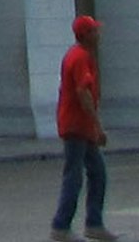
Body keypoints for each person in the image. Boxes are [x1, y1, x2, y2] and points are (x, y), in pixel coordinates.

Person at [47, 13, 112, 242]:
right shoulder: (80, 57)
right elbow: (83, 93)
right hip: (77, 126)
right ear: (86, 35)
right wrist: (98, 126)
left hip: (79, 126)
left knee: (97, 173)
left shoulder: (78, 55)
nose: (99, 34)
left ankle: (93, 224)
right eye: (95, 31)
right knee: (74, 177)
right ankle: (61, 226)